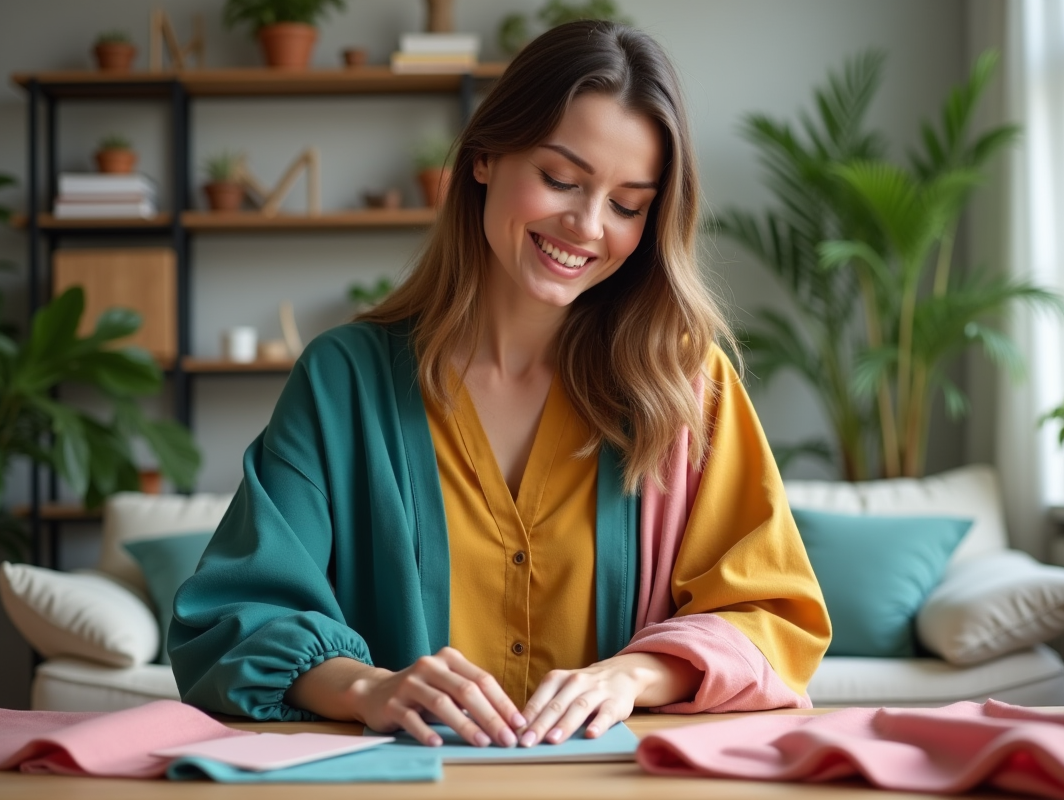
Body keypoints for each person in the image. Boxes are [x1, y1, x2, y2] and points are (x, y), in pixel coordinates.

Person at [169, 19, 830, 751]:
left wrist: (633, 676)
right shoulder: (341, 383)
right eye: (560, 179)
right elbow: (228, 621)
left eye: (628, 204)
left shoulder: (686, 386)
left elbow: (775, 619)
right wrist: (368, 686)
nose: (586, 225)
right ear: (485, 156)